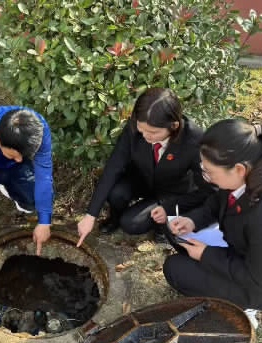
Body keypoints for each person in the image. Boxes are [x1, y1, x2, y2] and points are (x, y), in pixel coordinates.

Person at [77, 88, 213, 247]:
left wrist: (169, 206)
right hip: (142, 178)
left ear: (174, 125)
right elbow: (113, 168)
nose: (146, 136)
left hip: (172, 191)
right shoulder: (136, 127)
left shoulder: (194, 141)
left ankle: (161, 225)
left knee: (131, 224)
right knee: (117, 194)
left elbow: (206, 191)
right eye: (142, 130)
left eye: (153, 132)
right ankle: (114, 218)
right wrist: (90, 215)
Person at [163, 119, 262, 328]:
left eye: (209, 172)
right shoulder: (241, 177)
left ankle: (246, 308)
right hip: (236, 250)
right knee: (176, 232)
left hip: (254, 284)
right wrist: (192, 221)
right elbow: (216, 203)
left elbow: (254, 278)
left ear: (239, 170)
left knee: (174, 268)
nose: (205, 177)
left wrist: (206, 255)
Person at [0, 106, 53, 255]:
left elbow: (44, 176)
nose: (19, 159)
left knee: (33, 201)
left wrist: (45, 221)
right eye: (13, 155)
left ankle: (9, 187)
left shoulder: (37, 128)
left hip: (12, 168)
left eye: (22, 155)